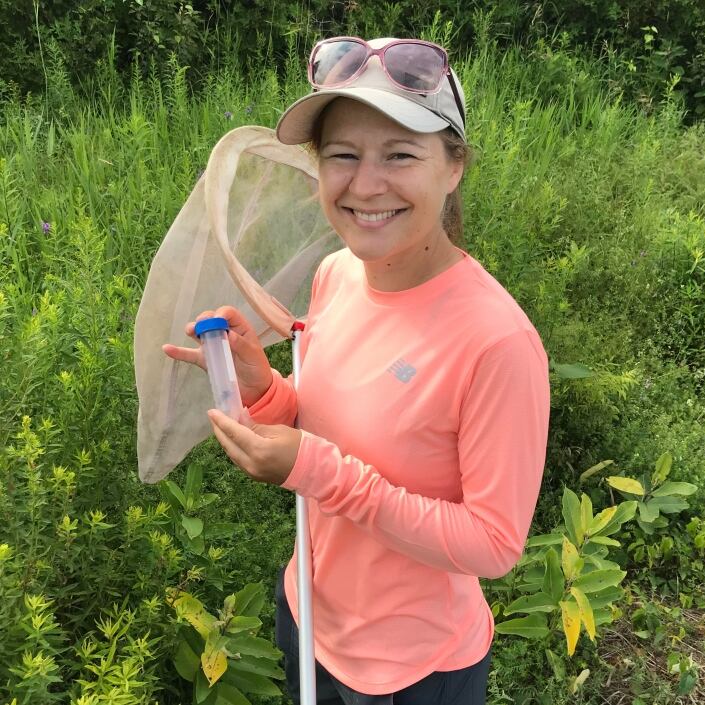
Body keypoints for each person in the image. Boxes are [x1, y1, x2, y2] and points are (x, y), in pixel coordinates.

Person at [163, 36, 550, 705]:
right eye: (342, 155)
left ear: (453, 165)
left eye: (400, 154)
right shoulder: (336, 275)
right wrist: (268, 393)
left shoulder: (497, 341)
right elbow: (330, 425)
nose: (365, 184)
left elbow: (493, 543)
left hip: (410, 668)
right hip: (308, 611)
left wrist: (315, 470)